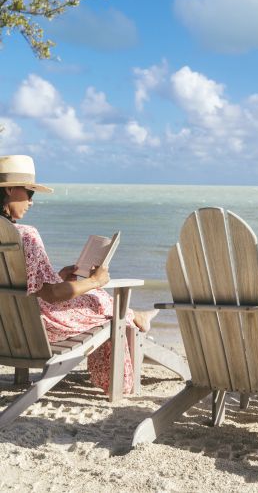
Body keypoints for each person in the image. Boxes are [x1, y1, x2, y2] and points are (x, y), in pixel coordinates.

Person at [0, 155, 150, 394]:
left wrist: (58, 276)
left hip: (7, 330)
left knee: (97, 299)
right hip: (37, 332)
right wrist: (93, 281)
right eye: (29, 193)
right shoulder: (26, 235)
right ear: (8, 190)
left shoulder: (9, 239)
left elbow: (17, 285)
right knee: (100, 301)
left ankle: (135, 316)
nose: (31, 201)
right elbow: (51, 295)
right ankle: (135, 320)